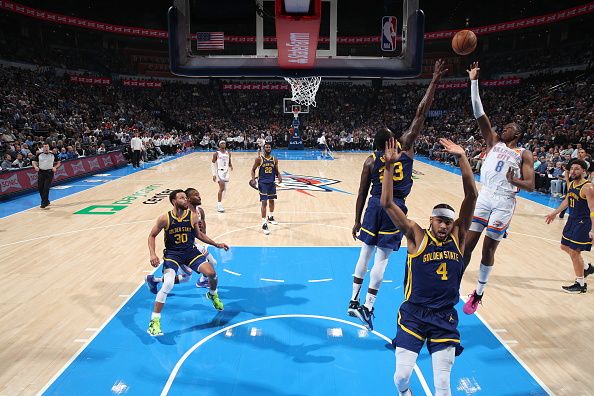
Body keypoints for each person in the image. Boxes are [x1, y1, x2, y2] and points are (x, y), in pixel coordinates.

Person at [349, 59, 447, 330]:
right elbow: (420, 112)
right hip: (394, 208)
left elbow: (360, 193)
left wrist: (357, 220)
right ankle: (368, 307)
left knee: (364, 254)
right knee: (381, 258)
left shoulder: (370, 160)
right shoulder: (405, 150)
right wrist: (434, 80)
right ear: (391, 141)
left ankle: (352, 301)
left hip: (372, 206)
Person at [380, 137, 477, 396]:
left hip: (444, 316)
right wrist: (389, 167)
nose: (444, 225)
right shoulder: (416, 235)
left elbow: (472, 195)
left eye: (448, 221)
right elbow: (387, 204)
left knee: (443, 386)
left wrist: (463, 158)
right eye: (440, 221)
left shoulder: (459, 236)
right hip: (413, 313)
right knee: (401, 376)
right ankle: (405, 392)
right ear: (431, 220)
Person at [462, 62, 535, 315]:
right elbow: (478, 112)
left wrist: (514, 181)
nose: (503, 128)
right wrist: (473, 81)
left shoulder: (524, 153)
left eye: (509, 127)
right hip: (485, 196)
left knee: (488, 249)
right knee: (467, 243)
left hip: (505, 201)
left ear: (517, 133)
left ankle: (478, 292)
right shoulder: (493, 141)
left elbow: (531, 185)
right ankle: (451, 284)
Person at [146, 189, 229, 336]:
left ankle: (212, 294)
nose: (185, 200)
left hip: (190, 252)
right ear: (174, 201)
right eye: (182, 198)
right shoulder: (164, 218)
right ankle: (154, 321)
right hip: (173, 254)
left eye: (186, 198)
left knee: (211, 273)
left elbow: (199, 235)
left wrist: (216, 244)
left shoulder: (192, 216)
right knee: (168, 283)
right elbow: (152, 236)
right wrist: (152, 253)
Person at [144, 188, 218, 291]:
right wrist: (152, 253)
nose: (199, 197)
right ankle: (155, 280)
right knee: (187, 277)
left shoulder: (199, 211)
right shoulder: (180, 214)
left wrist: (205, 232)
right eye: (195, 195)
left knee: (212, 262)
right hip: (180, 249)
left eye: (198, 194)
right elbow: (152, 235)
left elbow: (201, 234)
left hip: (192, 245)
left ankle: (203, 280)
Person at [545, 159, 594, 293]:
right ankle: (586, 267)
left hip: (583, 222)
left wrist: (593, 229)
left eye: (577, 169)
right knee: (564, 246)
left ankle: (580, 284)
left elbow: (593, 209)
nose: (573, 171)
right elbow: (568, 200)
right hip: (572, 220)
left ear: (584, 171)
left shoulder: (588, 187)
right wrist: (555, 213)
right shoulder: (572, 183)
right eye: (571, 168)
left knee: (574, 251)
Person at [251, 143, 282, 235]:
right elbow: (253, 170)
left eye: (269, 147)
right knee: (264, 202)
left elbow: (276, 171)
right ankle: (264, 223)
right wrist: (253, 179)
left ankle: (271, 217)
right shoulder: (259, 159)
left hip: (271, 183)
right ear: (263, 149)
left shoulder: (274, 159)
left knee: (272, 200)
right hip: (262, 183)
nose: (268, 148)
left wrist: (279, 176)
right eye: (266, 147)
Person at [31, 143, 61, 209]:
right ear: (42, 148)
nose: (46, 148)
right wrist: (35, 166)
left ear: (49, 147)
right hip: (41, 172)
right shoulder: (39, 155)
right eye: (45, 147)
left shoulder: (53, 154)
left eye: (47, 147)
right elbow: (33, 162)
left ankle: (43, 202)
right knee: (40, 188)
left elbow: (59, 162)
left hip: (49, 173)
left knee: (46, 188)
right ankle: (46, 201)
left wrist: (55, 167)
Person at [211, 141, 233, 213]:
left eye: (224, 143)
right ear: (219, 145)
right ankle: (219, 204)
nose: (223, 144)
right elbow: (212, 164)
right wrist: (214, 174)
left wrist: (231, 165)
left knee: (225, 189)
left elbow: (229, 161)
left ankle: (219, 203)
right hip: (219, 172)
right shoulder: (216, 153)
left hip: (226, 172)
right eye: (222, 143)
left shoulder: (228, 153)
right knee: (222, 188)